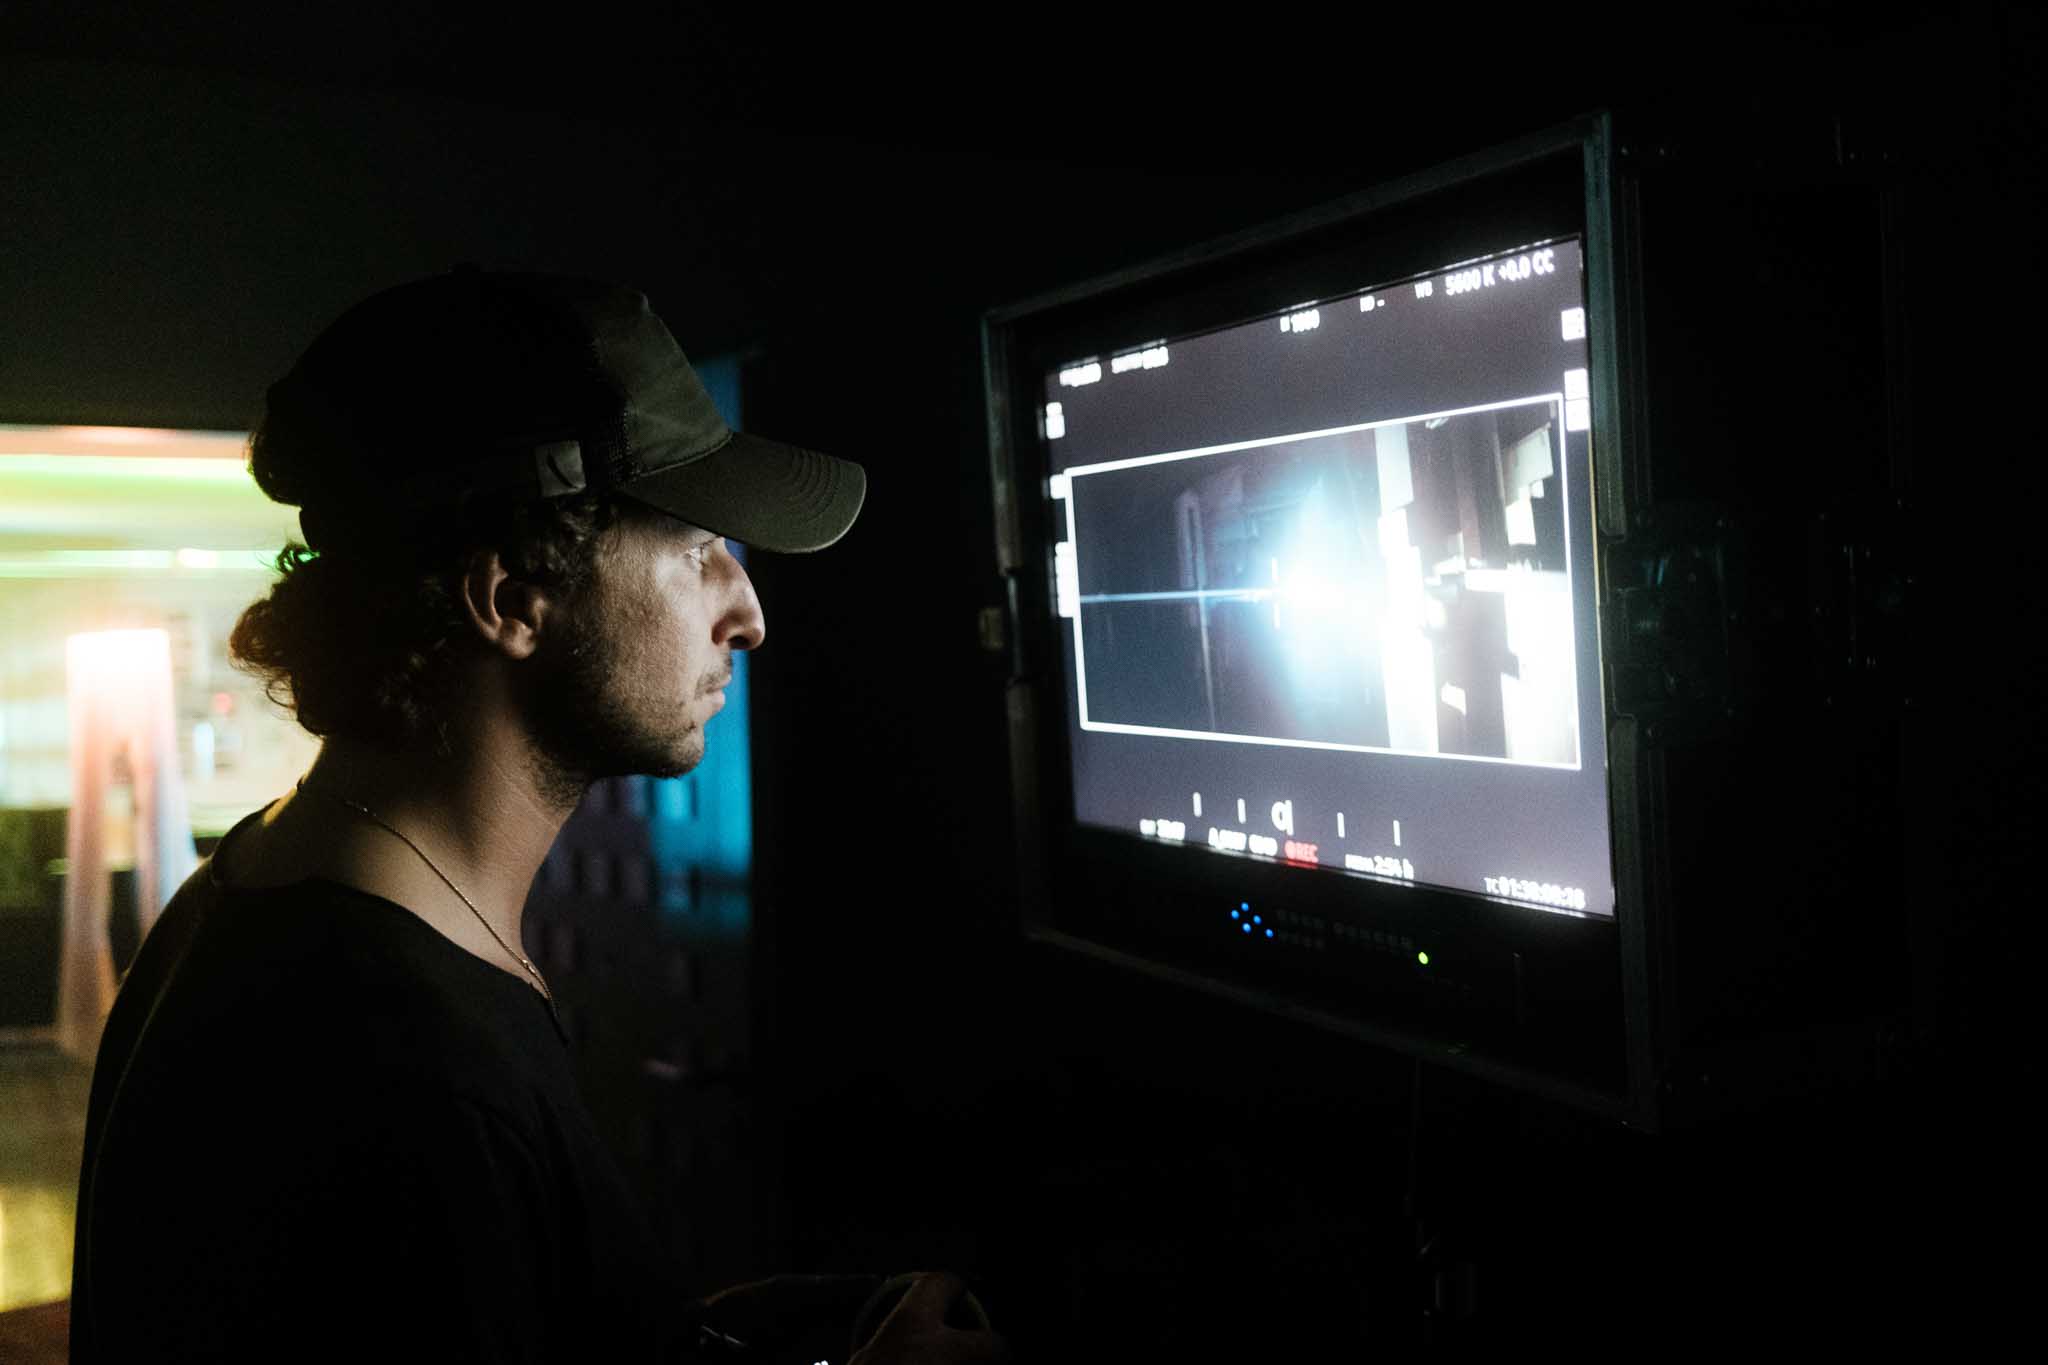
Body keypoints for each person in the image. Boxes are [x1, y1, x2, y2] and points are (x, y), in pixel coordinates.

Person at [68, 267, 1008, 1364]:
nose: (746, 613)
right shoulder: (403, 1073)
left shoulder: (273, 888)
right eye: (697, 550)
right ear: (511, 596)